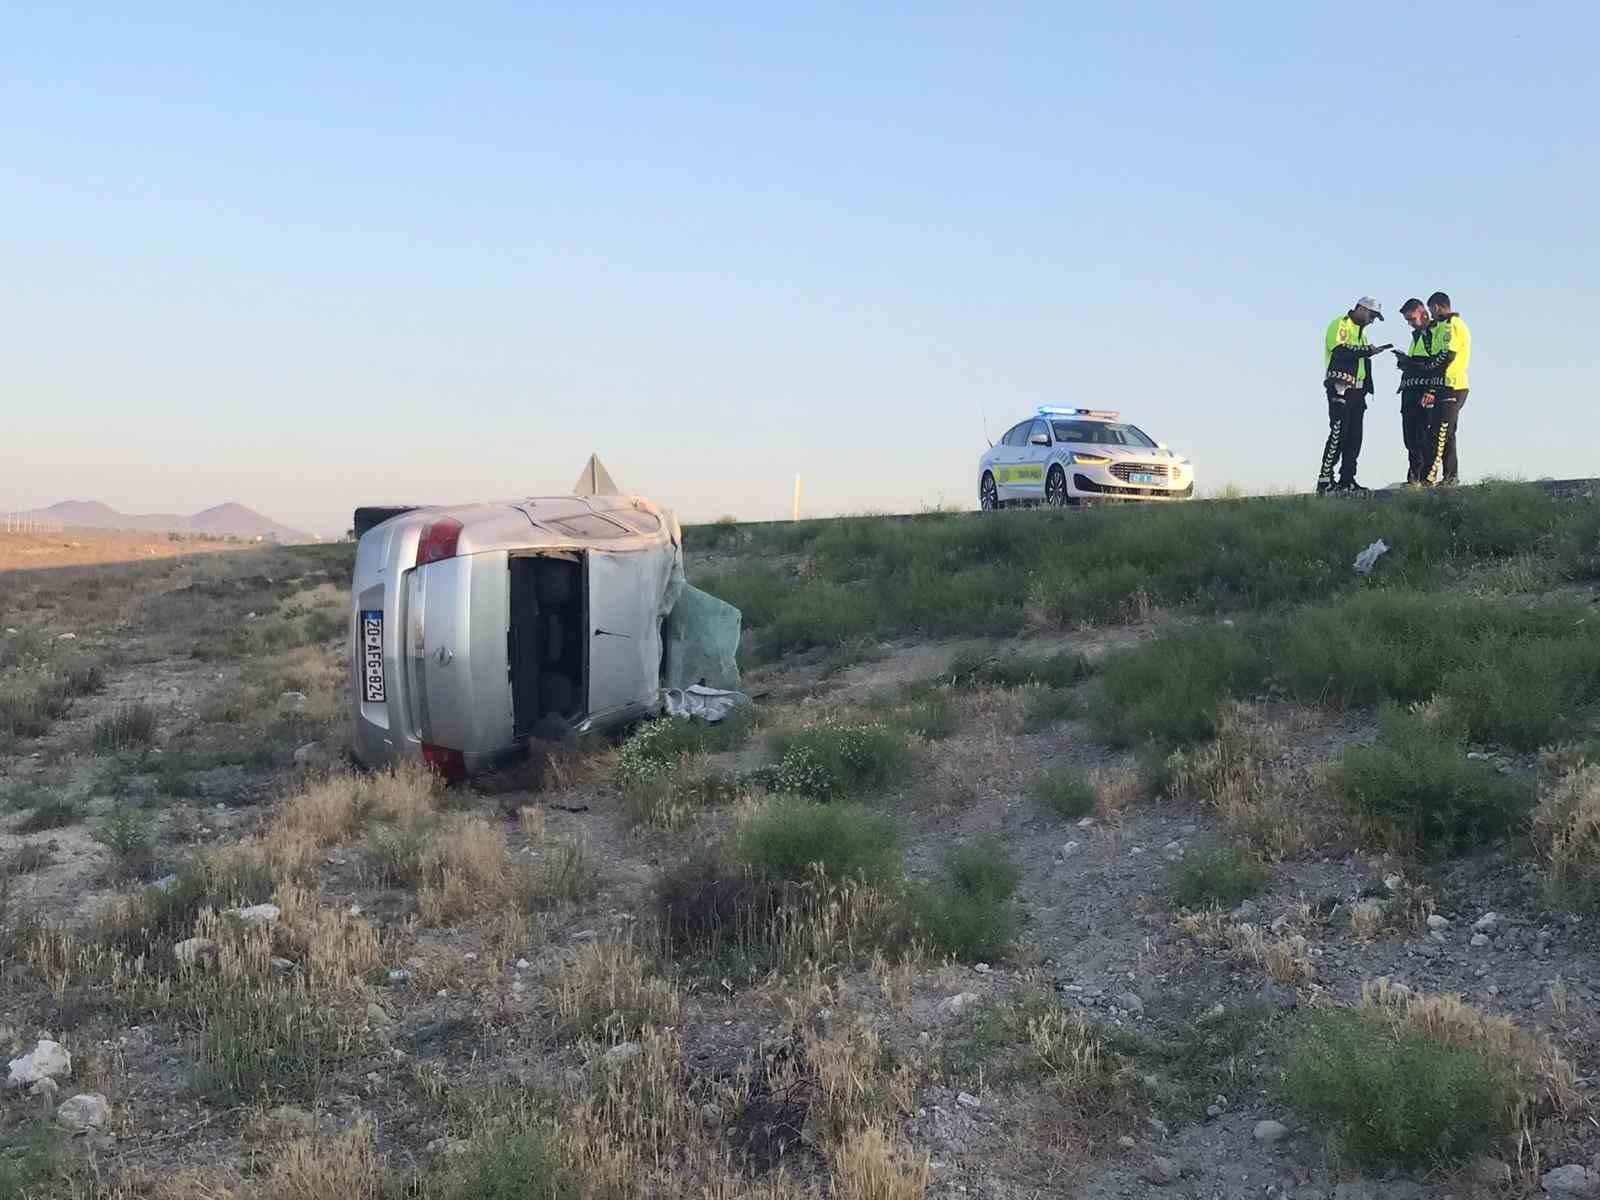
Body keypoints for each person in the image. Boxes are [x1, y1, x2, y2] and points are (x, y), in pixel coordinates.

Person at [1317, 297, 1391, 493]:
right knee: (1339, 432)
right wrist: (1367, 351)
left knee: (1354, 437)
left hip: (1358, 391)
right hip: (1340, 388)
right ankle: (1325, 479)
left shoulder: (1362, 335)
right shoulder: (1341, 324)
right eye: (1371, 316)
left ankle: (1347, 479)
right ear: (1361, 309)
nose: (1372, 321)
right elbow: (1339, 349)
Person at [1413, 291, 1472, 484]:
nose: (1431, 314)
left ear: (1437, 307)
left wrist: (1428, 368)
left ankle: (1427, 478)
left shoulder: (1452, 325)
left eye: (1431, 310)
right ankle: (1451, 478)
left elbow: (1447, 356)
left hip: (1452, 386)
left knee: (1439, 434)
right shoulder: (1441, 327)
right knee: (1448, 434)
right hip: (1443, 386)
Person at [1390, 298, 1436, 484]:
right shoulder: (1417, 335)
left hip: (1424, 391)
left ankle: (1424, 477)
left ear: (1423, 314)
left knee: (1423, 435)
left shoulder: (1434, 333)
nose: (1410, 323)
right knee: (1410, 437)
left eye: (1412, 319)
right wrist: (1405, 363)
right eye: (1407, 320)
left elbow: (1436, 364)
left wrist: (1431, 390)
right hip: (1409, 389)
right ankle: (1414, 477)